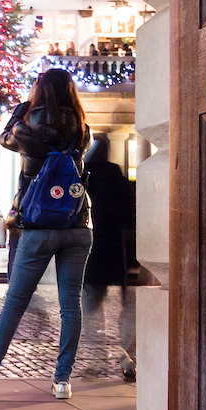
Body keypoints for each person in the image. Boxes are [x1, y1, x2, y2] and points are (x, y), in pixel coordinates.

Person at [0, 67, 92, 400]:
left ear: (41, 89)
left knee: (15, 304)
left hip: (37, 226)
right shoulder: (81, 128)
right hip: (77, 225)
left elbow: (6, 138)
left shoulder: (30, 124)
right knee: (70, 306)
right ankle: (62, 381)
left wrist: (22, 109)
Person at [81, 133, 137, 380]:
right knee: (127, 307)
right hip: (117, 251)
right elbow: (131, 215)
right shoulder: (118, 179)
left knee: (92, 307)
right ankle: (128, 358)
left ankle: (96, 356)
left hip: (91, 252)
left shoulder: (84, 178)